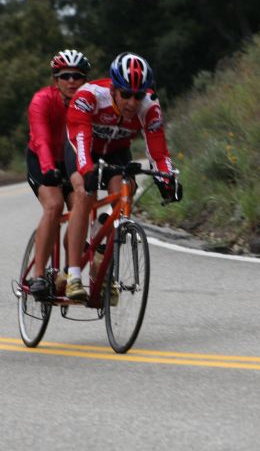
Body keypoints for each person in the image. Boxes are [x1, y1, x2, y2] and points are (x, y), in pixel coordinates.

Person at [62, 52, 182, 301]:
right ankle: (73, 275)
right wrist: (87, 170)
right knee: (85, 194)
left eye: (138, 95)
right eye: (126, 94)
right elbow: (81, 139)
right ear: (114, 89)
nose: (132, 102)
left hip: (117, 151)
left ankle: (103, 255)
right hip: (84, 147)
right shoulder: (90, 95)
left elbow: (158, 150)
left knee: (123, 194)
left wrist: (168, 179)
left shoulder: (150, 107)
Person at [25, 49, 91, 298]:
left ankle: (68, 271)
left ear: (85, 80)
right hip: (43, 161)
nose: (72, 81)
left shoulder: (88, 104)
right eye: (65, 76)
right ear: (56, 80)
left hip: (71, 163)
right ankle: (38, 276)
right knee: (54, 206)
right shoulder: (42, 101)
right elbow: (40, 138)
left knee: (82, 209)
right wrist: (49, 169)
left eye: (78, 76)